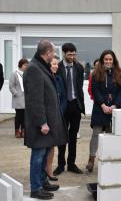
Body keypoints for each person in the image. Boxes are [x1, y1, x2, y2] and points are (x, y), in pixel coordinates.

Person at [23, 39, 67, 200]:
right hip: (40, 124)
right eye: (53, 52)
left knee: (46, 150)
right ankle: (35, 188)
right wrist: (42, 122)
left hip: (48, 122)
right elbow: (35, 100)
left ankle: (43, 181)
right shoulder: (34, 69)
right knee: (38, 154)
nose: (54, 55)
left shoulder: (40, 66)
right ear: (47, 53)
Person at [87, 50, 121, 172]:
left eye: (110, 59)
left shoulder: (118, 73)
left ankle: (109, 159)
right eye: (106, 59)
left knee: (111, 135)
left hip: (114, 109)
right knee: (96, 135)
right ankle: (91, 159)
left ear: (113, 60)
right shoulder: (95, 73)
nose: (108, 61)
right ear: (102, 60)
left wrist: (115, 105)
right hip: (100, 108)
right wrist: (103, 105)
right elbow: (95, 89)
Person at [53, 43, 85, 176]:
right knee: (62, 136)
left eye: (74, 54)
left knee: (73, 136)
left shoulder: (78, 67)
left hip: (75, 106)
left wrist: (80, 104)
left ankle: (71, 164)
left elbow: (79, 86)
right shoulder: (57, 67)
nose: (72, 57)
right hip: (62, 107)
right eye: (69, 54)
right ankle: (61, 164)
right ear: (64, 53)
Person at [45, 55, 67, 182]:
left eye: (57, 64)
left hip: (57, 116)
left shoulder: (58, 79)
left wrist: (59, 112)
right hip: (47, 117)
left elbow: (63, 97)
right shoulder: (44, 78)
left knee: (52, 146)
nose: (55, 66)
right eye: (53, 64)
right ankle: (44, 172)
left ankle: (49, 170)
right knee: (45, 147)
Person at [9, 58, 29, 138]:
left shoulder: (27, 74)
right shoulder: (14, 74)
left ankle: (24, 131)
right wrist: (16, 94)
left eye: (27, 65)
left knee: (25, 116)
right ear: (20, 65)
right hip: (18, 98)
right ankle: (17, 131)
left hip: (25, 98)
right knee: (18, 115)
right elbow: (11, 86)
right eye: (25, 65)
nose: (26, 67)